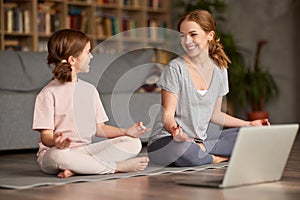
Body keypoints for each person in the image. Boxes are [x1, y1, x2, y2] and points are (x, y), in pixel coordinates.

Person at [147, 10, 269, 167]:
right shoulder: (175, 68)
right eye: (182, 35)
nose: (187, 40)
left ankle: (201, 151)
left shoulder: (220, 69)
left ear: (210, 35)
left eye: (193, 34)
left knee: (253, 134)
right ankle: (217, 158)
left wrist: (248, 124)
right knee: (184, 149)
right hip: (168, 141)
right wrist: (175, 130)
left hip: (198, 141)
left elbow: (215, 115)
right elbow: (168, 115)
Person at [32, 29, 150, 178]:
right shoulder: (47, 94)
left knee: (133, 143)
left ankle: (79, 167)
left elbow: (99, 128)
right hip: (57, 153)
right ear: (72, 60)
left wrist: (126, 132)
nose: (91, 56)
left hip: (85, 151)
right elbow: (45, 136)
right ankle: (115, 167)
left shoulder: (90, 90)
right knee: (59, 156)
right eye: (88, 52)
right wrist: (56, 142)